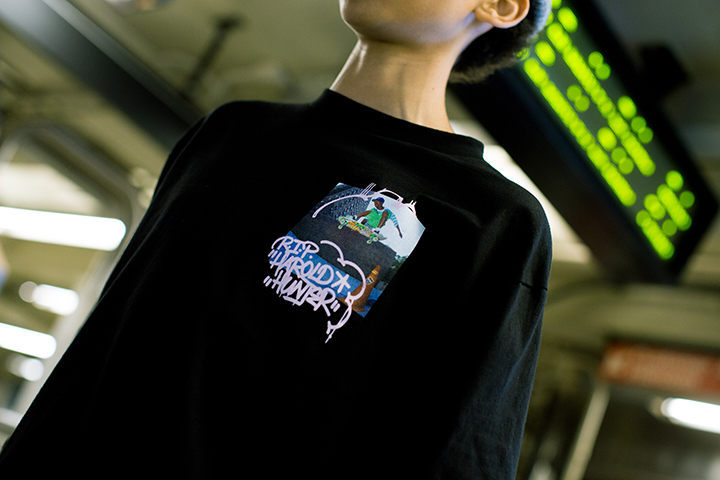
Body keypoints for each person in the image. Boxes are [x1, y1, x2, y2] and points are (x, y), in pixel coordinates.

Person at [0, 0, 553, 478]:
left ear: (501, 6)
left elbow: (459, 458)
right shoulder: (230, 131)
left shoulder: (490, 218)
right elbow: (104, 344)